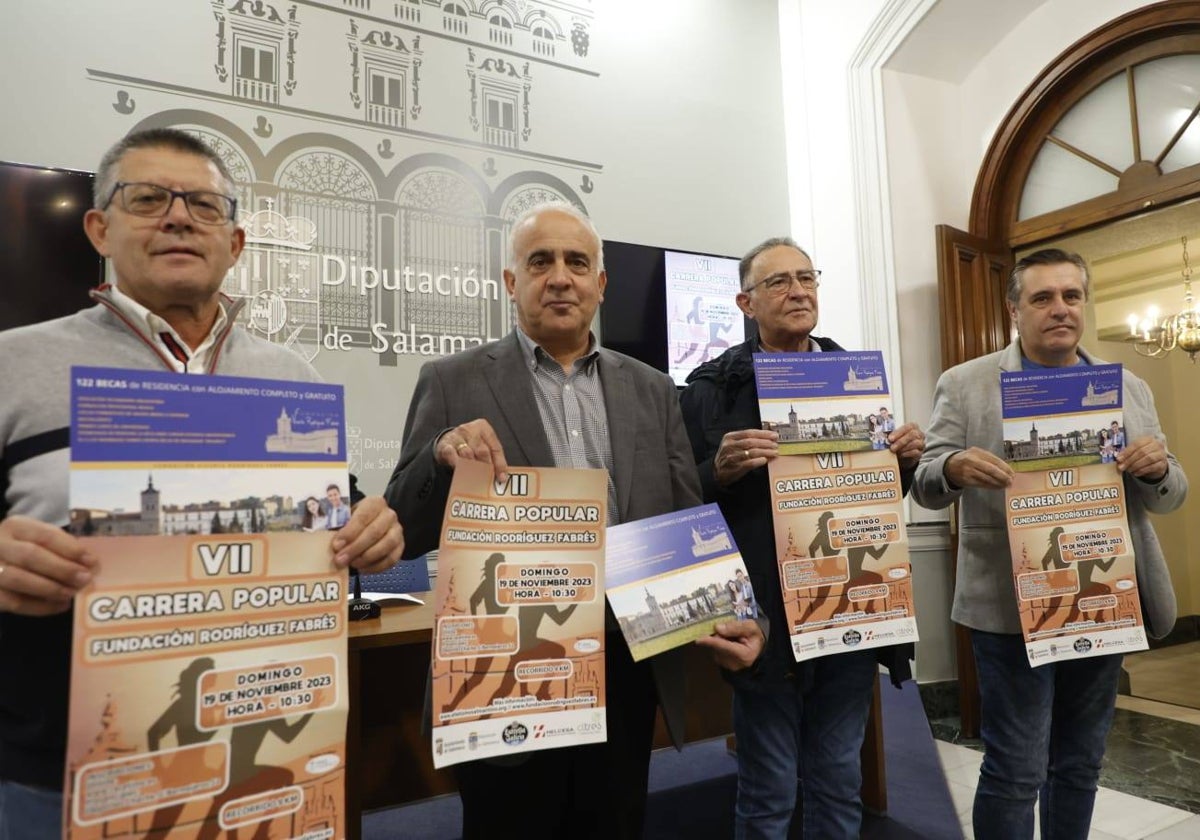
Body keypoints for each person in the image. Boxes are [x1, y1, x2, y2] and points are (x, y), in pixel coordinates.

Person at [0, 128, 405, 837]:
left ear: (236, 242)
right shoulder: (12, 365)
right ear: (100, 227)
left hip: (270, 754)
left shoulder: (293, 379)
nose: (178, 217)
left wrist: (376, 529)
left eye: (204, 206)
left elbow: (339, 518)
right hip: (67, 780)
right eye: (148, 198)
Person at [384, 202, 766, 840]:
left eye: (576, 262)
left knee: (613, 823)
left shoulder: (651, 387)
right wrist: (442, 453)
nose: (560, 277)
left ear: (600, 283)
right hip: (506, 667)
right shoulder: (451, 381)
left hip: (624, 656)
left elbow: (683, 517)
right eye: (540, 262)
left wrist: (740, 609)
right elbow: (405, 522)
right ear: (512, 282)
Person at [911, 248, 1187, 840]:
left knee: (1081, 765)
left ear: (1083, 303)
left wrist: (1157, 468)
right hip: (1009, 607)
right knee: (1015, 768)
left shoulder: (1127, 386)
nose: (1059, 309)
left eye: (1071, 296)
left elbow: (1169, 495)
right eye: (1042, 298)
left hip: (1104, 599)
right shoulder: (965, 383)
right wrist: (954, 467)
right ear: (1015, 310)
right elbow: (926, 484)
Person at [679, 236, 925, 839]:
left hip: (848, 605)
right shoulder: (710, 387)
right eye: (779, 282)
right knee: (766, 791)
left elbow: (870, 497)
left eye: (807, 278)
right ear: (745, 302)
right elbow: (678, 499)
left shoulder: (854, 376)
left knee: (839, 780)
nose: (798, 291)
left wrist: (905, 462)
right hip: (762, 616)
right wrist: (719, 470)